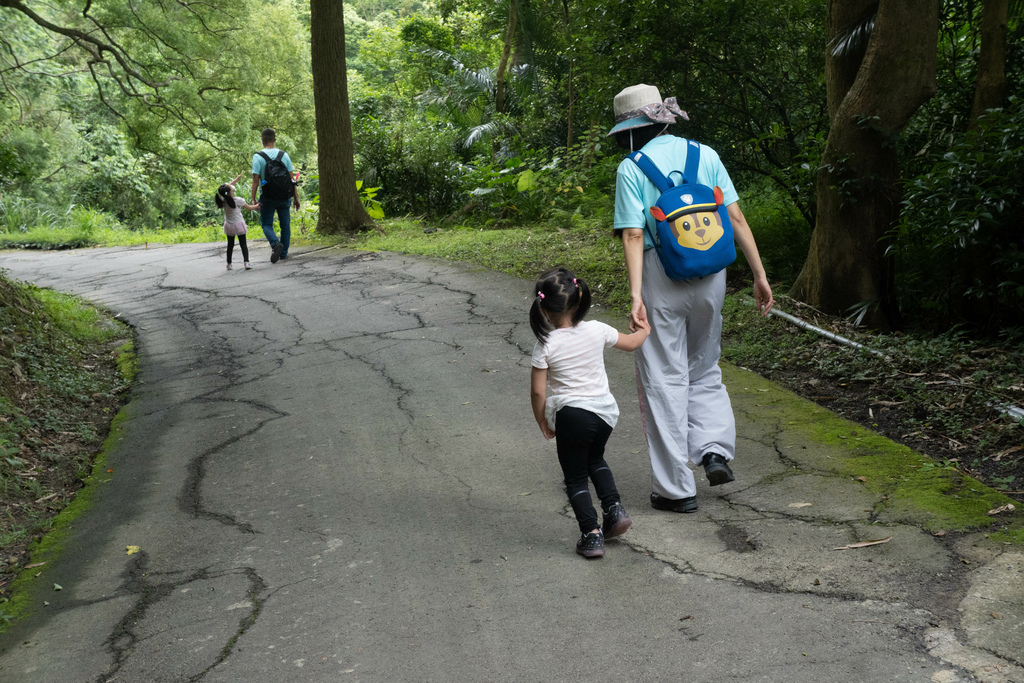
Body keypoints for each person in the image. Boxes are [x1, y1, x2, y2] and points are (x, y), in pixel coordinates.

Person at [610, 83, 774, 514]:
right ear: (664, 117)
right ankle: (714, 450)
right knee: (704, 365)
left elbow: (632, 233)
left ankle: (675, 490)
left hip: (661, 277)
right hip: (712, 277)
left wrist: (634, 295)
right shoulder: (706, 154)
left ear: (633, 130)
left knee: (663, 377)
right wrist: (758, 274)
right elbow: (735, 215)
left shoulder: (632, 167)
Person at [529, 267, 651, 559]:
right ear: (579, 299)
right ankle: (614, 510)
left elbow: (538, 392)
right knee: (595, 458)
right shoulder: (598, 328)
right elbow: (633, 342)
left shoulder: (545, 344)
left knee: (575, 477)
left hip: (573, 416)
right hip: (604, 414)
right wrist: (644, 327)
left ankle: (591, 534)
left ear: (544, 310)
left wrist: (542, 419)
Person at [250, 128, 300, 263]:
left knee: (266, 224)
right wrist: (296, 198)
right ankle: (283, 253)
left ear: (262, 140)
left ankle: (275, 243)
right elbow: (292, 180)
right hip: (284, 196)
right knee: (285, 225)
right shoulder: (284, 155)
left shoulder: (258, 157)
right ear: (275, 139)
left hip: (267, 197)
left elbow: (255, 180)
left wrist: (253, 198)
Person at [215, 174, 260, 271]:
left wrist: (236, 180)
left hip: (229, 226)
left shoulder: (223, 199)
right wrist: (257, 206)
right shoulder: (238, 200)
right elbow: (249, 208)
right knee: (243, 244)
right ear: (232, 191)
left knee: (230, 245)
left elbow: (225, 190)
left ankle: (229, 264)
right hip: (239, 224)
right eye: (232, 188)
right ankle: (246, 263)